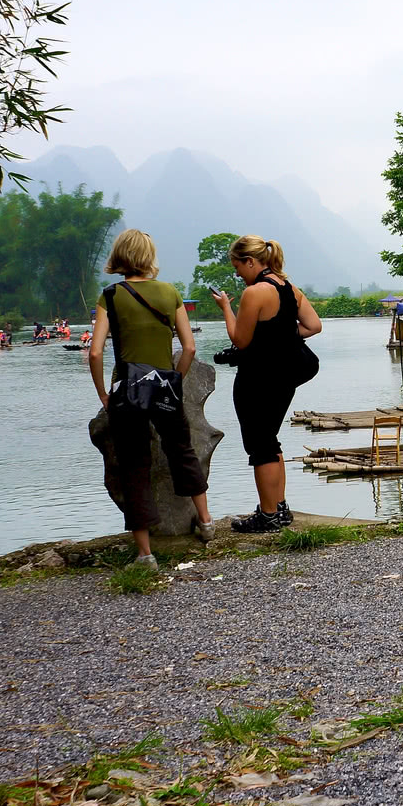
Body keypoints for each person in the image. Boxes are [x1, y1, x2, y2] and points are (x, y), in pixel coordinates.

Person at [89, 229, 212, 566]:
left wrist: (103, 393)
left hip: (127, 391)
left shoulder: (111, 296)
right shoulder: (169, 292)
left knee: (133, 465)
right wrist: (175, 380)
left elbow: (96, 353)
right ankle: (205, 521)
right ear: (149, 257)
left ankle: (145, 554)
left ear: (120, 257)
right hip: (164, 387)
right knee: (182, 451)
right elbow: (188, 347)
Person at [212, 235, 321, 533]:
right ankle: (280, 507)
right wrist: (281, 336)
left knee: (259, 446)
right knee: (270, 440)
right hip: (285, 376)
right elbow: (313, 326)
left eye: (237, 266)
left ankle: (268, 514)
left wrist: (225, 308)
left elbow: (241, 340)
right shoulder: (289, 288)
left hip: (258, 378)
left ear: (250, 262)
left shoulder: (255, 292)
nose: (236, 273)